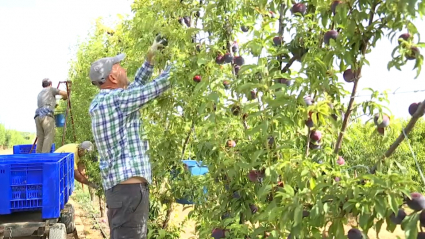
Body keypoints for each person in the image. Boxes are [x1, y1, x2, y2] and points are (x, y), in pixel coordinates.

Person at [88, 38, 172, 238]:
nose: (125, 69)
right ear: (113, 78)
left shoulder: (107, 100)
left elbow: (135, 89)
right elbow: (152, 89)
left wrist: (149, 60)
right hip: (129, 193)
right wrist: (178, 68)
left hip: (123, 192)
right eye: (120, 67)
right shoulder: (116, 100)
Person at [34, 78, 68, 153]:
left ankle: (38, 157)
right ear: (50, 84)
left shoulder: (40, 93)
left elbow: (45, 104)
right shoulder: (51, 89)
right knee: (48, 136)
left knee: (40, 138)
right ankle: (45, 157)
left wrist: (54, 105)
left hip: (37, 117)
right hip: (47, 117)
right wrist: (64, 98)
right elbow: (65, 93)